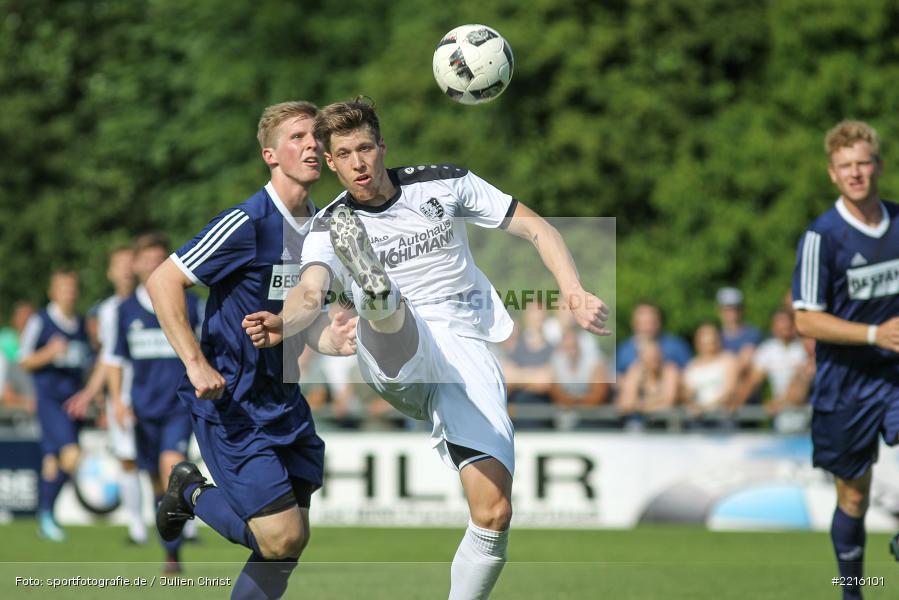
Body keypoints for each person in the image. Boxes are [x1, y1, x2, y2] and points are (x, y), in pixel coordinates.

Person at [244, 98, 610, 600]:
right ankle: (376, 292)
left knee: (494, 512)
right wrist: (284, 323)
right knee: (386, 302)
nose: (358, 163)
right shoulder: (327, 227)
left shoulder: (444, 181)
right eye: (345, 153)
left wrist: (572, 291)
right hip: (394, 347)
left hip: (465, 346)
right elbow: (310, 291)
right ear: (330, 162)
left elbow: (536, 227)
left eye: (366, 148)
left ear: (382, 147)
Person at [147, 101, 355, 599]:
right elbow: (162, 281)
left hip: (284, 399)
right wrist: (196, 364)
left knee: (285, 549)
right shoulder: (248, 220)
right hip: (231, 402)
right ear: (270, 154)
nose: (310, 145)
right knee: (280, 537)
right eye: (296, 138)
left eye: (314, 137)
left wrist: (333, 339)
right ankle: (190, 492)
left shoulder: (324, 230)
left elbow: (303, 326)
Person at [792, 120, 899, 600]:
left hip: (895, 376)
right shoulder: (823, 236)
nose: (856, 173)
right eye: (845, 166)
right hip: (846, 384)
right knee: (853, 496)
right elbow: (807, 321)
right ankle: (852, 592)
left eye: (863, 162)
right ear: (832, 174)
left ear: (878, 165)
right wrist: (875, 332)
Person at [105, 234, 202, 572]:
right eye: (146, 259)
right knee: (157, 486)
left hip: (179, 404)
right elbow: (115, 359)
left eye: (159, 258)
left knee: (172, 469)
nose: (152, 264)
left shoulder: (189, 304)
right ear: (135, 264)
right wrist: (117, 400)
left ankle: (177, 548)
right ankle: (171, 548)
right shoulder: (124, 310)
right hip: (143, 410)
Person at [65, 245, 149, 545]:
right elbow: (109, 358)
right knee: (128, 459)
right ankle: (137, 528)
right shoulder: (109, 310)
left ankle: (183, 528)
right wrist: (95, 395)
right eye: (120, 264)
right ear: (111, 272)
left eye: (131, 262)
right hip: (124, 396)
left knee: (166, 460)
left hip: (159, 393)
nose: (126, 270)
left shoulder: (158, 300)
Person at [18, 271, 92, 541]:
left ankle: (46, 519)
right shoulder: (41, 321)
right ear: (52, 292)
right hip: (49, 402)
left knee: (53, 463)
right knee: (72, 455)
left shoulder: (81, 324)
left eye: (72, 288)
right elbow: (24, 360)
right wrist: (48, 353)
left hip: (74, 405)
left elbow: (85, 363)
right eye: (63, 288)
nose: (69, 293)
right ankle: (46, 513)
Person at [616, 339, 679, 428]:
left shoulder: (670, 369)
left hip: (667, 424)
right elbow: (626, 403)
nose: (655, 358)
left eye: (657, 354)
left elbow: (669, 401)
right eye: (651, 356)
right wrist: (657, 401)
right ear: (641, 357)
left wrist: (641, 406)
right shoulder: (635, 370)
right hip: (640, 424)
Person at [681, 323, 738, 422]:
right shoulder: (691, 365)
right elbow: (686, 392)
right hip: (697, 418)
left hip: (722, 417)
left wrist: (705, 408)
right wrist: (691, 402)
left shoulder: (728, 359)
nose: (708, 339)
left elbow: (730, 391)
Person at [616, 302, 691, 373]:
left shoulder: (676, 346)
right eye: (642, 323)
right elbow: (614, 376)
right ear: (633, 324)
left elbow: (689, 374)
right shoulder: (623, 350)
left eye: (651, 323)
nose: (647, 328)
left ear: (659, 323)